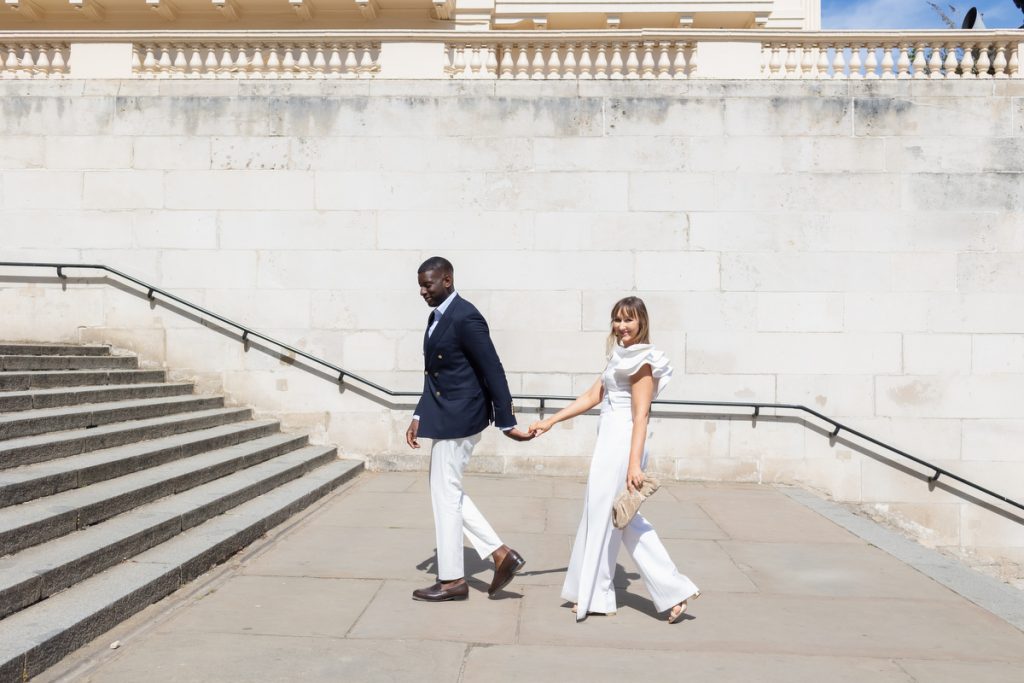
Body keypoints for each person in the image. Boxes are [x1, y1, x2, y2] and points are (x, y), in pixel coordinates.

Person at [529, 296, 700, 623]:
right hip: (610, 442)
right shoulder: (620, 355)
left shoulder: (643, 360)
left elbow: (641, 416)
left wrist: (634, 464)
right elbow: (592, 396)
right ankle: (668, 592)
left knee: (611, 515)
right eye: (617, 319)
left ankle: (599, 594)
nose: (621, 326)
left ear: (641, 322)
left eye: (628, 320)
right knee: (621, 517)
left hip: (623, 444)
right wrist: (551, 421)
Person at [406, 256, 534, 602]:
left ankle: (452, 580)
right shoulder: (438, 316)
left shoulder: (465, 316)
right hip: (445, 414)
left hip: (460, 417)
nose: (422, 291)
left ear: (446, 280)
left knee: (445, 493)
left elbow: (493, 368)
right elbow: (436, 374)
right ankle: (500, 555)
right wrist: (419, 414)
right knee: (446, 491)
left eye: (428, 284)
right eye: (420, 285)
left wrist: (507, 422)